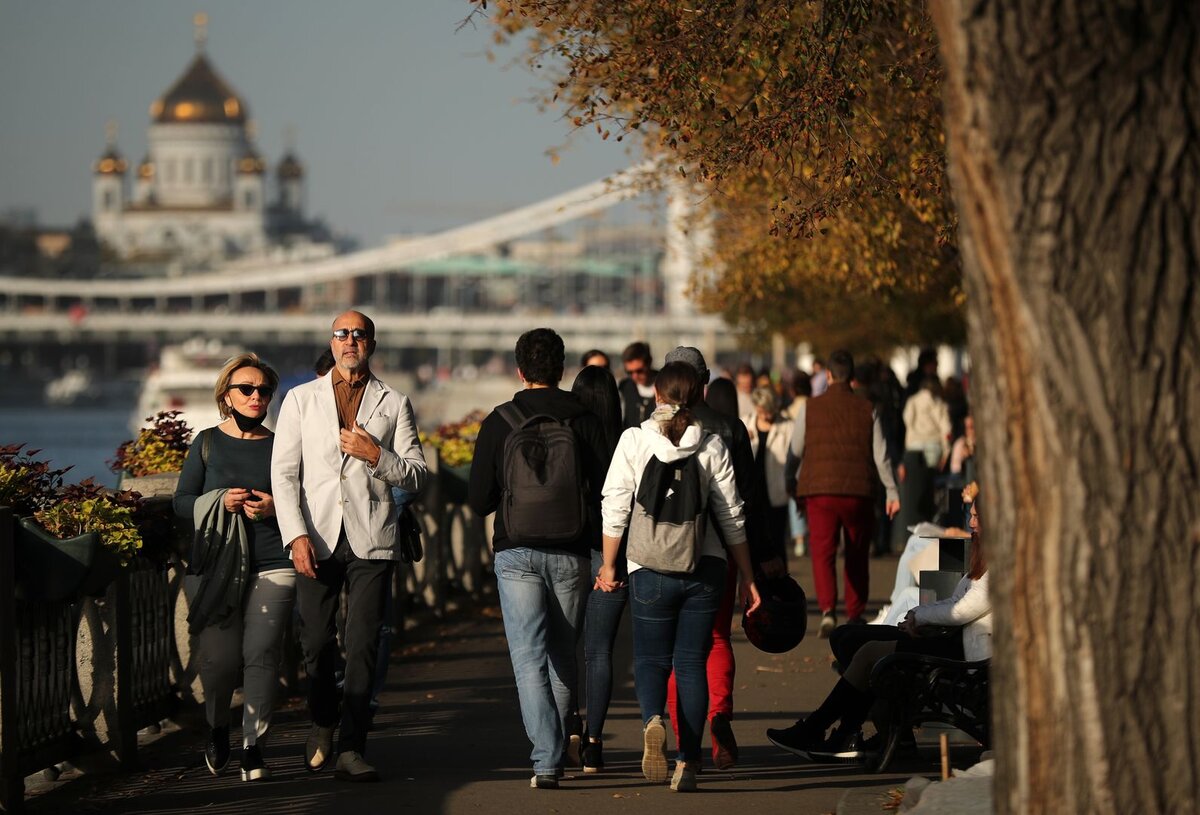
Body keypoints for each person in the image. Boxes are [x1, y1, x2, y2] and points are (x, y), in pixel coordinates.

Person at [272, 310, 428, 783]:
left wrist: (377, 456)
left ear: (372, 345)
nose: (350, 341)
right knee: (316, 640)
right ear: (331, 342)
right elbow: (284, 474)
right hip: (316, 536)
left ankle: (352, 747)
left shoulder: (394, 402)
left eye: (359, 335)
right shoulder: (300, 400)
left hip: (371, 538)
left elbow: (418, 474)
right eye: (342, 334)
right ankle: (322, 720)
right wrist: (295, 534)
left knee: (361, 644)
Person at [597, 361, 762, 793]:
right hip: (704, 568)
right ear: (697, 398)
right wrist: (747, 576)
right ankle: (688, 761)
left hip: (648, 567)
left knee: (651, 659)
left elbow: (614, 505)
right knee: (691, 663)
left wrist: (610, 565)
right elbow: (732, 517)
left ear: (656, 397)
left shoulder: (634, 440)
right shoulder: (711, 446)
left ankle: (654, 719)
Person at [468, 328, 609, 790]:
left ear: (520, 370)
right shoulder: (585, 421)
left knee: (528, 658)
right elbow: (610, 491)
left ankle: (546, 760)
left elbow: (478, 499)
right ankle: (560, 743)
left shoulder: (500, 421)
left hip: (516, 551)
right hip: (573, 551)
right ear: (562, 369)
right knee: (562, 654)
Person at [767, 490, 989, 761]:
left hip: (966, 655)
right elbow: (957, 601)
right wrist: (919, 618)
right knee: (844, 636)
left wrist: (919, 616)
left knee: (870, 651)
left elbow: (965, 608)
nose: (971, 523)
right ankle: (860, 732)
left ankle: (826, 730)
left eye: (977, 517)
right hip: (951, 639)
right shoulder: (986, 556)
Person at [661, 347, 782, 771]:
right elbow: (749, 498)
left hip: (664, 551)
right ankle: (719, 714)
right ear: (704, 381)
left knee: (678, 648)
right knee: (715, 639)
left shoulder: (654, 429)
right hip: (720, 550)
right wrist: (763, 558)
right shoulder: (730, 428)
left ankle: (683, 739)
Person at [173, 353, 293, 782]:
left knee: (262, 654)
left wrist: (275, 508)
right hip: (218, 565)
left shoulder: (282, 444)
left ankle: (254, 745)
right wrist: (219, 501)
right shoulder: (206, 442)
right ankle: (218, 726)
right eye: (247, 389)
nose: (257, 396)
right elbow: (181, 501)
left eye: (263, 390)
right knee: (220, 661)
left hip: (274, 561)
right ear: (227, 395)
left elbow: (303, 500)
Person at [786, 350, 900, 637]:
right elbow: (881, 455)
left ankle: (827, 610)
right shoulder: (867, 408)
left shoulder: (810, 408)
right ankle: (855, 611)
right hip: (858, 490)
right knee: (857, 552)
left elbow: (795, 450)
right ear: (852, 377)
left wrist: (790, 479)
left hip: (819, 489)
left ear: (827, 375)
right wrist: (891, 490)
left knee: (822, 552)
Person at [569, 364, 625, 773]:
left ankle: (569, 726)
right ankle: (593, 743)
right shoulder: (628, 442)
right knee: (599, 652)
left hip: (568, 551)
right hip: (613, 557)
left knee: (563, 645)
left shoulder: (568, 435)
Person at [748, 386, 794, 563]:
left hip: (777, 491)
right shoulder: (745, 424)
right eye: (761, 411)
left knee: (777, 540)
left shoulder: (787, 427)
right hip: (754, 492)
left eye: (768, 411)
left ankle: (781, 584)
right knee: (754, 540)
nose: (765, 415)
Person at [619, 341, 657, 428]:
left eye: (639, 371)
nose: (635, 376)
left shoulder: (664, 385)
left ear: (649, 363)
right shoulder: (624, 387)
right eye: (630, 372)